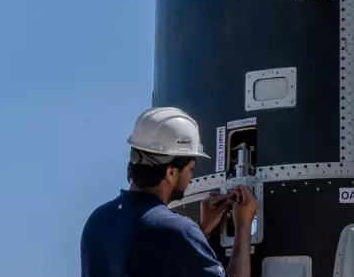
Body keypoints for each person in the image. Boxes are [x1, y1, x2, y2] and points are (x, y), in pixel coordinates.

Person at [81, 107, 258, 277]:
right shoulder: (176, 230)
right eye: (191, 169)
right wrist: (243, 227)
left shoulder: (98, 221)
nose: (190, 177)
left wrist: (202, 229)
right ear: (171, 173)